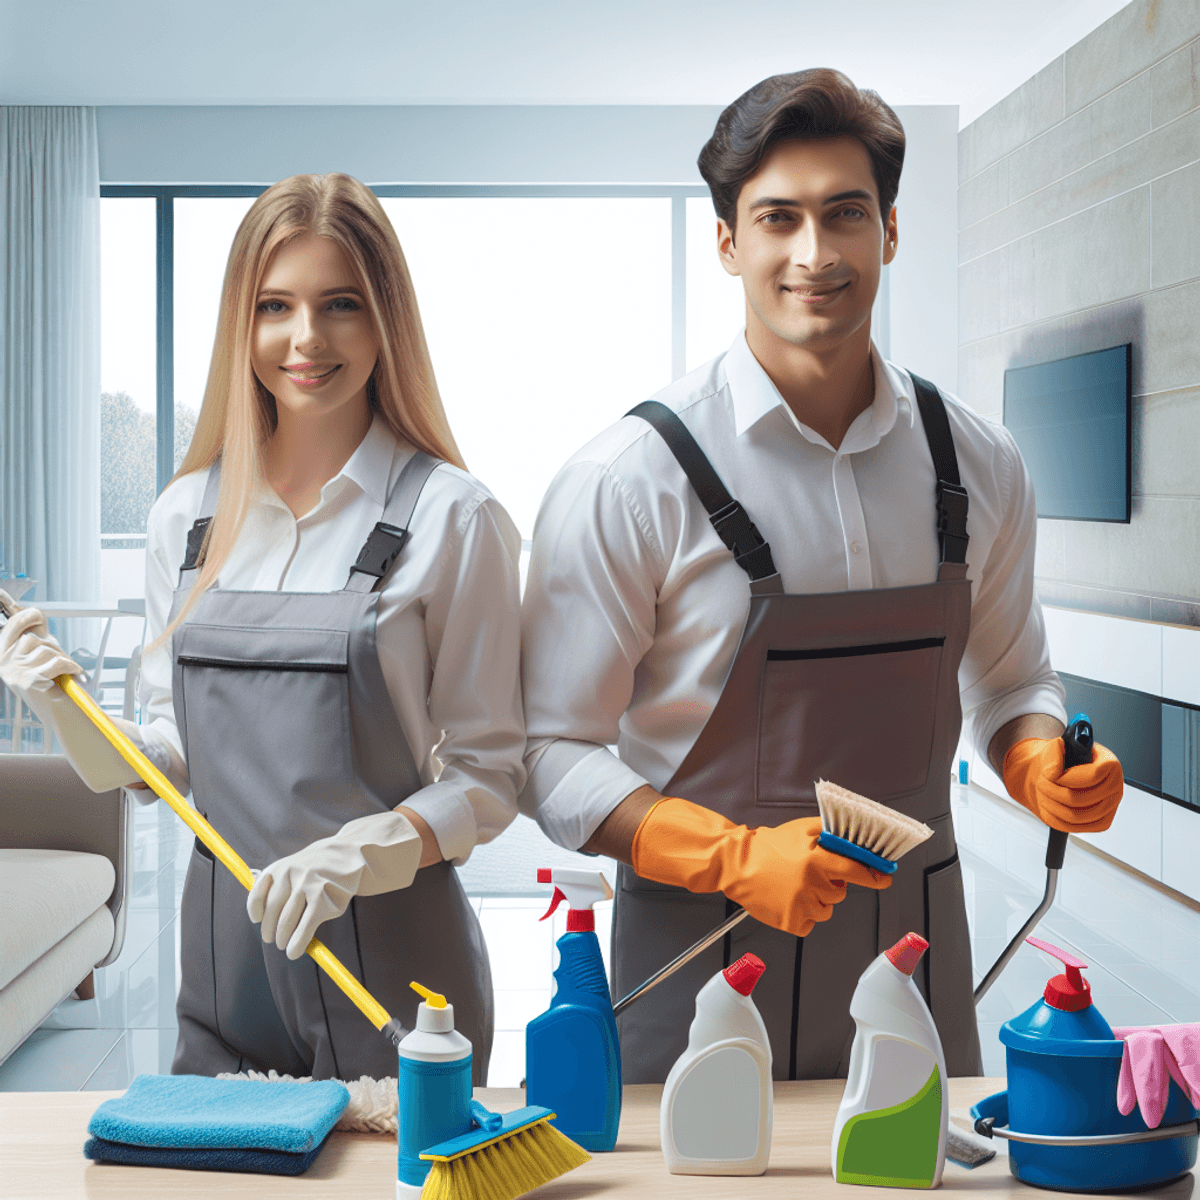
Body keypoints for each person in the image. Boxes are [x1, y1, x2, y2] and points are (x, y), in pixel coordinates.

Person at [518, 69, 1125, 1083]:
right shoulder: (628, 482)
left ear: (889, 231)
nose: (815, 254)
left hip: (915, 951)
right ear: (727, 242)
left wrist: (1036, 766)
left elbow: (1014, 682)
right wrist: (731, 857)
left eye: (845, 214)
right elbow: (551, 755)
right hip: (702, 958)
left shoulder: (979, 463)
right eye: (777, 219)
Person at [0, 173, 525, 1083]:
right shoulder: (185, 520)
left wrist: (356, 855)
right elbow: (166, 761)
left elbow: (488, 779)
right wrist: (60, 705)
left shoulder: (455, 518)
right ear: (241, 325)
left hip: (398, 966)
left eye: (341, 305)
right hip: (226, 967)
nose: (306, 339)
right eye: (274, 305)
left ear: (386, 321)